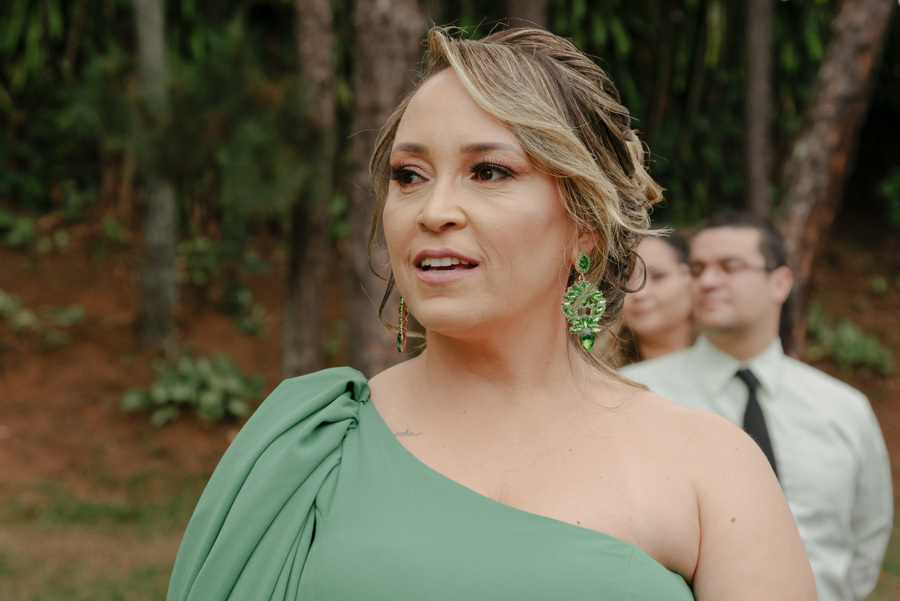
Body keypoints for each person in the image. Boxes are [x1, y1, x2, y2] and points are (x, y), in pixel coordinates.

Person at [166, 28, 816, 601]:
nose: (433, 210)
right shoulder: (310, 442)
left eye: (489, 171)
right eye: (409, 175)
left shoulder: (712, 467)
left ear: (585, 226)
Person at [622, 212, 893, 601]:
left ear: (780, 283)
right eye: (698, 269)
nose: (708, 281)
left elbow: (869, 533)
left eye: (730, 267)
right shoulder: (636, 393)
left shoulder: (844, 408)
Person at [621, 228, 694, 362]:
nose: (639, 293)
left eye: (657, 276)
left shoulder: (731, 358)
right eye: (626, 280)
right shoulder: (595, 370)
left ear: (690, 277)